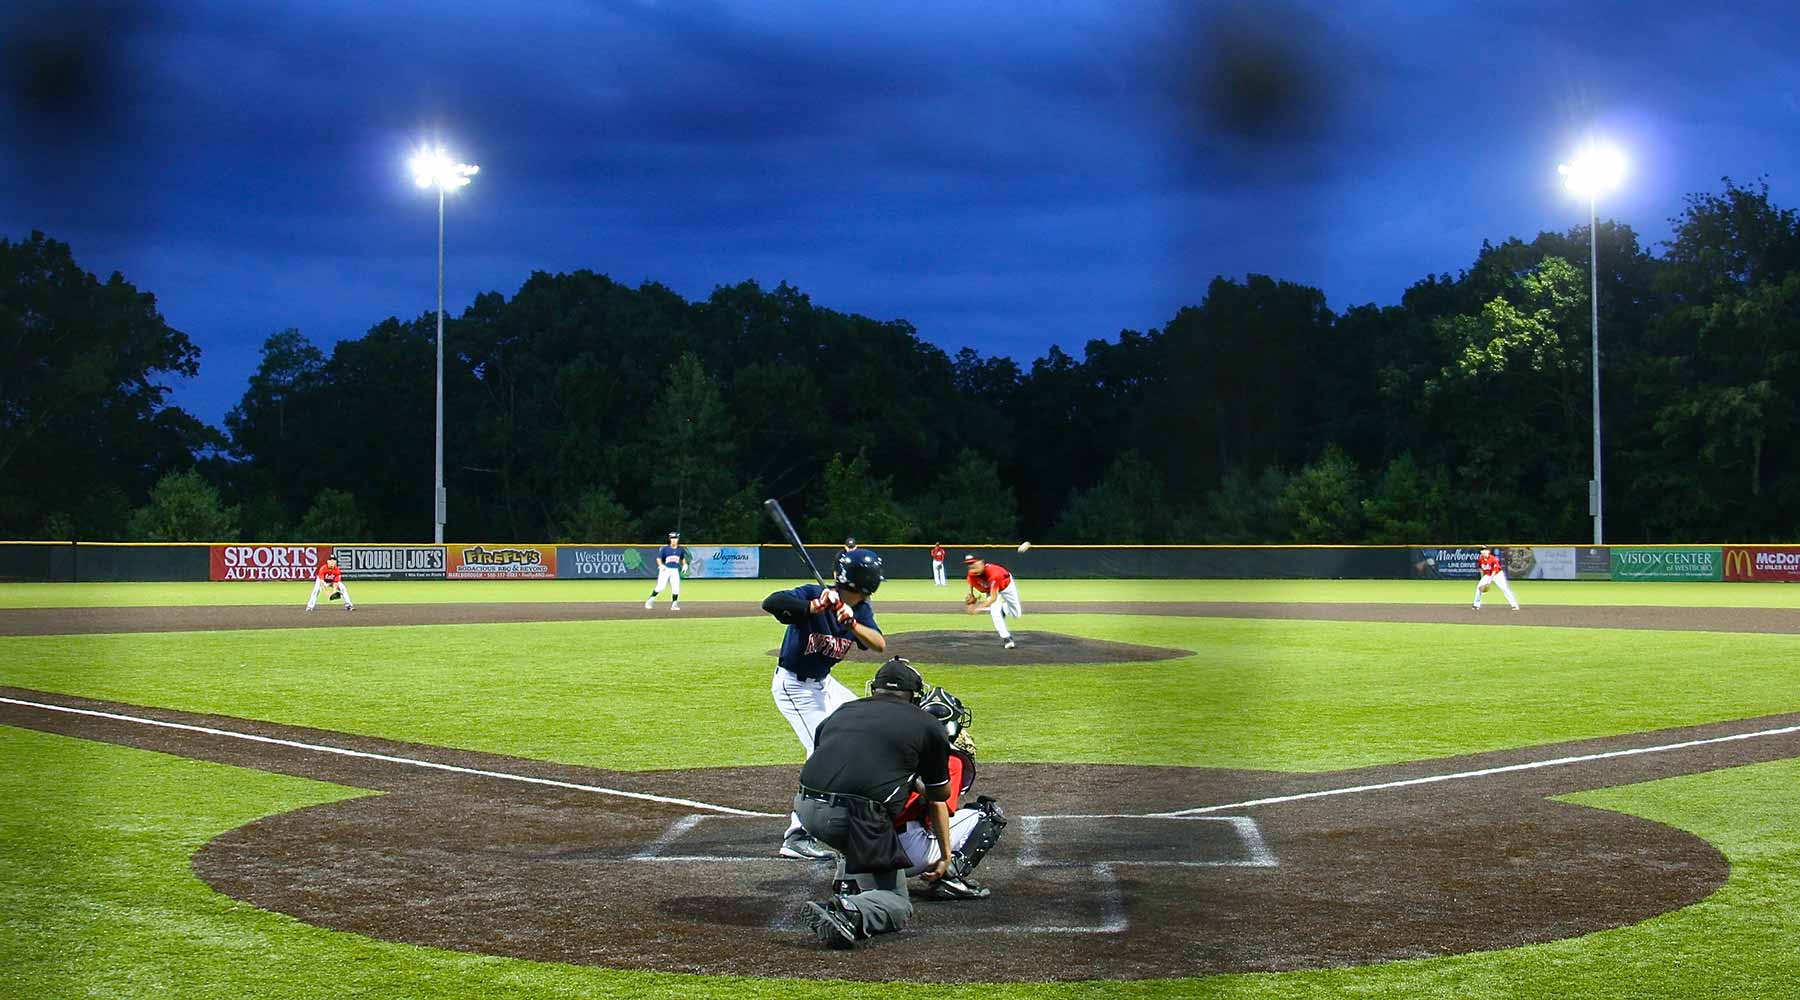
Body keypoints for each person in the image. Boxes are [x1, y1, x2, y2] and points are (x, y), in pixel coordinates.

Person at [795, 657, 952, 949]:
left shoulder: (843, 711)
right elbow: (940, 795)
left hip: (804, 807)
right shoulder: (927, 724)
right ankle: (848, 911)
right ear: (915, 696)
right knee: (897, 904)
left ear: (874, 689)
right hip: (853, 818)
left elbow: (830, 758)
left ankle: (849, 883)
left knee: (856, 830)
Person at [763, 547, 888, 860]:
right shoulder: (813, 594)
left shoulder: (859, 610)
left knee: (864, 728)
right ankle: (797, 835)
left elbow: (879, 644)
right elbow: (772, 603)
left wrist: (852, 624)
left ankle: (857, 810)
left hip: (825, 686)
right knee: (822, 752)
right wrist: (814, 607)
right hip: (795, 686)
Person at [895, 685, 1006, 899]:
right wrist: (945, 855)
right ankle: (950, 877)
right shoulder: (951, 759)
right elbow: (935, 812)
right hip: (909, 854)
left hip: (867, 849)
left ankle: (852, 880)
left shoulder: (895, 746)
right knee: (987, 813)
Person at [964, 554, 1022, 649]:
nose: (971, 566)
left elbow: (993, 598)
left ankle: (1004, 609)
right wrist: (972, 596)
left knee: (1016, 614)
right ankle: (1007, 638)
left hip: (1006, 586)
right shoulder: (972, 574)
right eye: (969, 564)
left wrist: (978, 608)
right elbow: (971, 584)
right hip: (991, 590)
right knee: (995, 611)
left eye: (974, 563)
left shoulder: (994, 573)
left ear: (982, 563)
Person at [644, 531, 688, 611]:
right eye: (672, 538)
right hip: (665, 570)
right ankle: (650, 600)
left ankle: (674, 605)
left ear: (678, 539)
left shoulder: (680, 549)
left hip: (674, 570)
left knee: (676, 588)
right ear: (670, 539)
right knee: (660, 587)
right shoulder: (665, 549)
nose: (674, 540)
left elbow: (682, 558)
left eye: (675, 538)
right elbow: (658, 558)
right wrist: (660, 565)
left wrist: (685, 564)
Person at [1473, 545, 1521, 611]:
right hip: (1487, 575)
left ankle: (1514, 605)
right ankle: (1476, 605)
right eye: (1482, 550)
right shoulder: (1480, 559)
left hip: (1497, 574)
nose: (1484, 552)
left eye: (1485, 550)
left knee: (1505, 588)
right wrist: (1482, 578)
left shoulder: (1493, 559)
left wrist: (1489, 582)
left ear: (1488, 551)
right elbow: (1480, 569)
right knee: (1479, 588)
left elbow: (1494, 571)